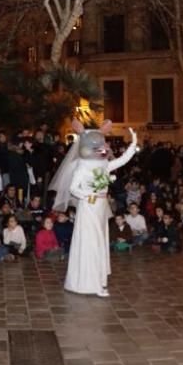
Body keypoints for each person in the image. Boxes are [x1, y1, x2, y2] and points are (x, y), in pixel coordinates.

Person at [50, 120, 137, 297]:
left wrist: (134, 143)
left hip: (100, 207)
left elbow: (122, 161)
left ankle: (100, 281)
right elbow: (74, 188)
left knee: (99, 241)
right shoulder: (82, 166)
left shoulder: (103, 165)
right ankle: (93, 284)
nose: (104, 146)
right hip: (88, 207)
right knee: (91, 242)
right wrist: (87, 195)